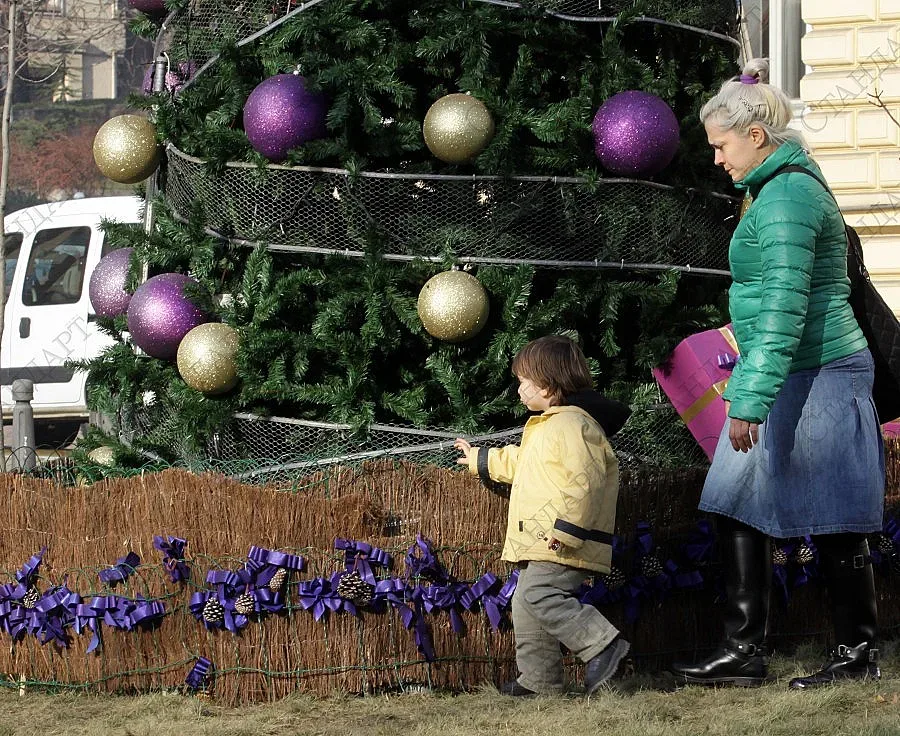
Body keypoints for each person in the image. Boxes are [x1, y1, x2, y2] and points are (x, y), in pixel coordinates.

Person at [670, 58, 885, 689]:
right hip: (786, 367)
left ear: (756, 135)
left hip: (822, 370)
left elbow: (784, 306)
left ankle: (856, 652)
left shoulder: (787, 197)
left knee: (837, 514)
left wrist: (748, 401)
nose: (716, 159)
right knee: (735, 499)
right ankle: (743, 652)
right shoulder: (773, 190)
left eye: (721, 146)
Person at [454, 334, 632, 696]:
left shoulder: (572, 426)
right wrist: (481, 459)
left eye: (524, 382)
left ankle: (602, 644)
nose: (519, 390)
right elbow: (523, 463)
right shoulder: (551, 425)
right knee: (525, 601)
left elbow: (586, 480)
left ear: (548, 386)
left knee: (540, 593)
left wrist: (568, 530)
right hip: (545, 539)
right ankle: (539, 680)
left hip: (563, 538)